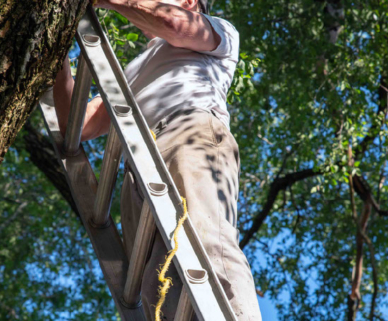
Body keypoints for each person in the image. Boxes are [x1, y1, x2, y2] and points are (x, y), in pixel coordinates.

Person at [51, 0, 262, 319]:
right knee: (155, 283)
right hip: (139, 166)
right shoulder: (130, 72)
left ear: (191, 2)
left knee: (207, 248)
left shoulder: (220, 33)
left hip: (189, 134)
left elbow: (175, 24)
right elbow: (76, 127)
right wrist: (55, 54)